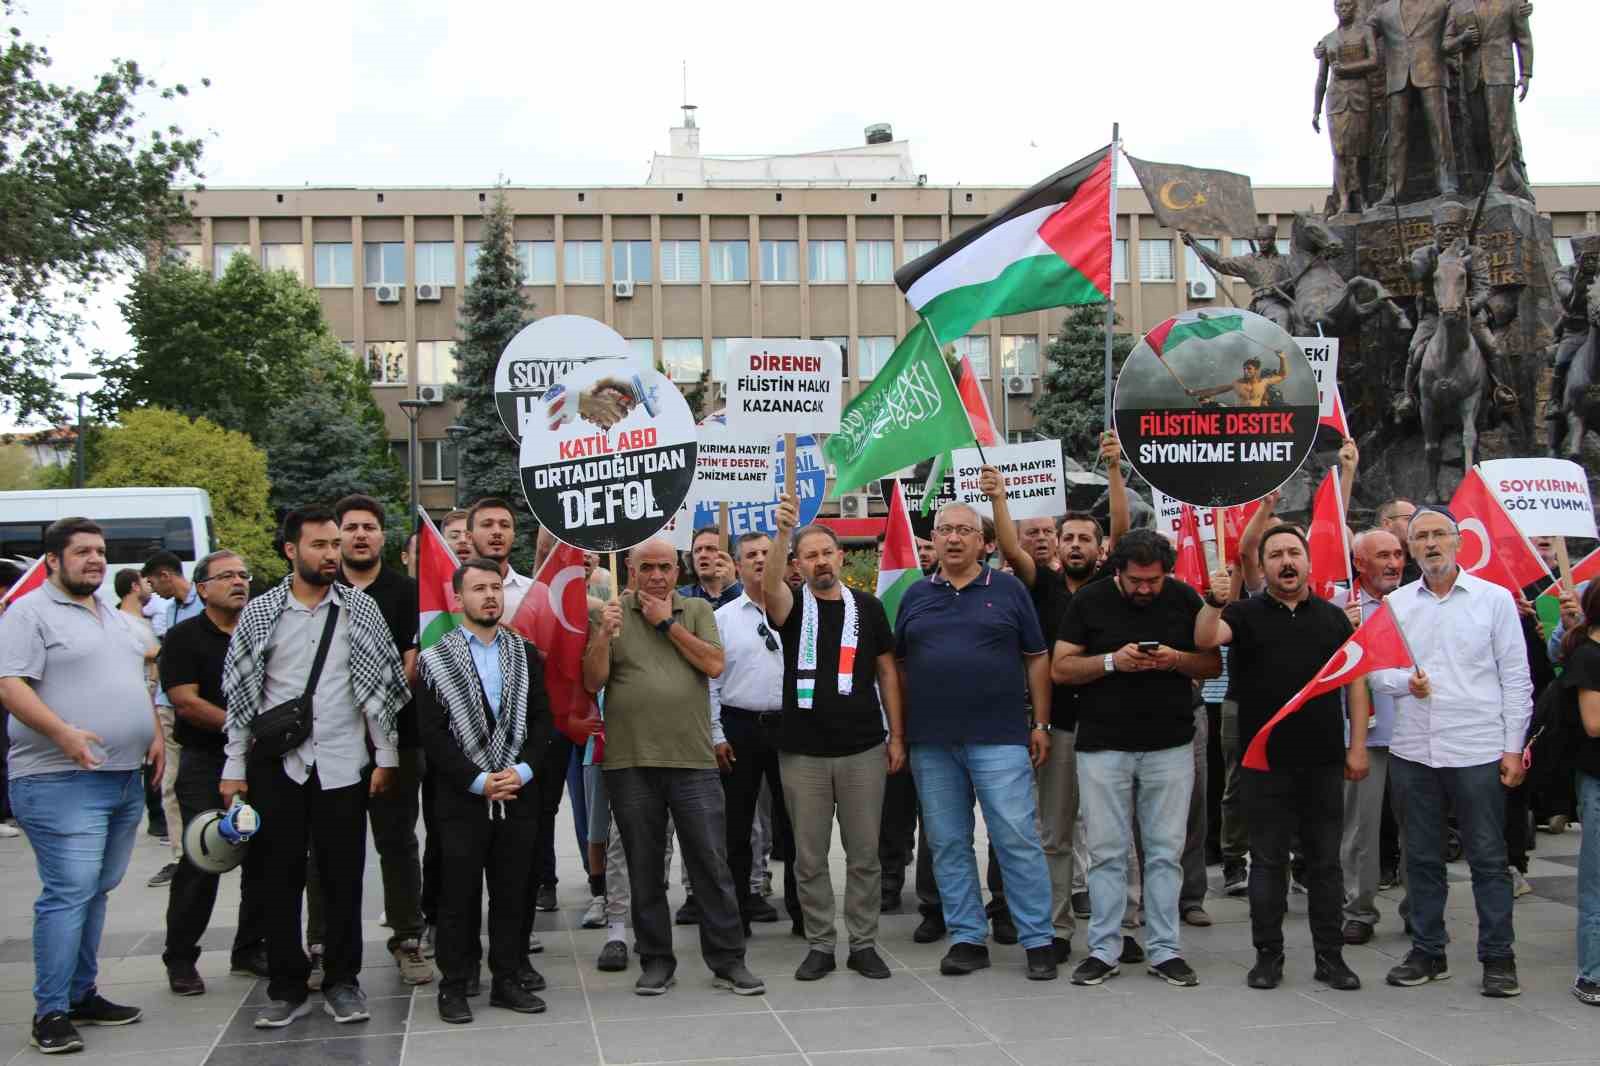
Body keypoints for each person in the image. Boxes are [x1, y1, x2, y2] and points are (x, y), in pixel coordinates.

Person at [220, 506, 410, 1029]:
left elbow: (379, 688)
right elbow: (242, 696)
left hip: (343, 763)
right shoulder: (261, 613)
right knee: (277, 878)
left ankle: (343, 981)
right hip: (278, 766)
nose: (331, 554)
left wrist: (386, 755)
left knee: (343, 877)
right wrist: (233, 766)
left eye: (334, 545)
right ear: (291, 550)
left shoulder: (360, 610)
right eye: (319, 545)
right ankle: (287, 986)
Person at [0, 518, 163, 1054]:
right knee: (69, 892)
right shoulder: (28, 613)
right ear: (52, 560)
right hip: (59, 779)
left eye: (100, 551)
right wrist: (62, 733)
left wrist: (155, 733)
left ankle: (81, 993)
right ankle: (50, 1012)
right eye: (82, 551)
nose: (95, 560)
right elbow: (9, 685)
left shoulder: (112, 616)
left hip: (123, 777)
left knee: (96, 889)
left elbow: (136, 680)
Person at [583, 538, 764, 997]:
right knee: (644, 868)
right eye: (647, 567)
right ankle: (656, 961)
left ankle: (728, 960)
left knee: (711, 864)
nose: (657, 576)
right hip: (631, 762)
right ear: (630, 569)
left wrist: (666, 623)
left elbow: (714, 664)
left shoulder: (696, 610)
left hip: (692, 760)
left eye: (665, 567)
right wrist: (603, 634)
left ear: (677, 571)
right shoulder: (611, 613)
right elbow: (592, 680)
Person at [1196, 526, 1368, 991]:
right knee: (1268, 862)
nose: (1286, 562)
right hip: (1263, 761)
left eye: (1294, 552)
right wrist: (1213, 601)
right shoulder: (1242, 613)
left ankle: (1331, 958)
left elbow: (1355, 682)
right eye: (1275, 555)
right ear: (1263, 565)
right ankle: (1267, 957)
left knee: (1325, 863)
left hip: (1323, 759)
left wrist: (1356, 746)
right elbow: (1206, 639)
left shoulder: (1334, 619)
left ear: (1308, 562)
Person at [1370, 507, 1531, 997]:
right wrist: (1405, 682)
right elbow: (1377, 673)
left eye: (1440, 534)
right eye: (1421, 537)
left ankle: (1498, 957)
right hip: (1414, 750)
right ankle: (1427, 950)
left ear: (1459, 541)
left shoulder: (1493, 600)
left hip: (1477, 747)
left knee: (1488, 858)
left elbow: (1516, 678)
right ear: (1411, 547)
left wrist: (1513, 748)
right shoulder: (1397, 604)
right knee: (1420, 858)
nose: (1431, 543)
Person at [895, 501, 1059, 981]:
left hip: (1000, 737)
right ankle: (967, 937)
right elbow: (899, 668)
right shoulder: (915, 594)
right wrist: (900, 734)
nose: (952, 538)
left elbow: (1037, 658)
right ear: (934, 538)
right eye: (944, 529)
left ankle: (1038, 939)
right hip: (932, 742)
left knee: (1015, 838)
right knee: (947, 842)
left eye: (964, 530)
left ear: (983, 542)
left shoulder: (1008, 590)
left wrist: (1041, 724)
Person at [984, 434, 1130, 962]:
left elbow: (1123, 527)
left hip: (1111, 726)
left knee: (1113, 835)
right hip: (1059, 726)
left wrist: (1114, 470)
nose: (1074, 545)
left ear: (1100, 549)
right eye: (1067, 538)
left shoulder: (1111, 584)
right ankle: (1057, 928)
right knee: (1055, 834)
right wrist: (1000, 499)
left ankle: (1119, 930)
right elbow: (1011, 548)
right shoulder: (1041, 585)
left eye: (1085, 538)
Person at [1053, 529, 1220, 988]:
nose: (1146, 589)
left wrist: (1175, 659)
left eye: (1154, 580)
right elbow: (1061, 668)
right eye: (1136, 581)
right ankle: (1104, 948)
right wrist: (1112, 662)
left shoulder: (1183, 598)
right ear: (1118, 572)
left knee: (1165, 852)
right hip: (1103, 746)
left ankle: (1165, 949)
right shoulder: (1089, 601)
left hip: (1170, 744)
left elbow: (1211, 664)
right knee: (1106, 852)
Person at [765, 502, 904, 980]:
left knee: (865, 855)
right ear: (798, 565)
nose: (821, 561)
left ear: (841, 556)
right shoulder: (791, 605)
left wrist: (897, 735)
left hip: (863, 749)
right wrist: (782, 534)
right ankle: (820, 943)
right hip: (803, 753)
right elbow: (768, 588)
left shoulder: (868, 607)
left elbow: (887, 672)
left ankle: (863, 943)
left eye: (827, 552)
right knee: (809, 857)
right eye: (810, 555)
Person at [417, 559, 554, 1023]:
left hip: (517, 791)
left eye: (495, 587)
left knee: (513, 892)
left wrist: (523, 771)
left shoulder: (525, 653)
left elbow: (542, 720)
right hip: (462, 797)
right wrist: (478, 780)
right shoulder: (435, 659)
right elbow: (432, 734)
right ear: (458, 599)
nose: (490, 595)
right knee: (457, 895)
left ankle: (508, 980)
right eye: (479, 589)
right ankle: (455, 985)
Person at [311, 495, 430, 986]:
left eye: (369, 527)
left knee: (397, 842)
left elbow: (412, 661)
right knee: (326, 847)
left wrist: (377, 708)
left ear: (383, 536)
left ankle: (407, 938)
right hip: (331, 742)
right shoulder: (319, 591)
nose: (360, 535)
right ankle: (322, 945)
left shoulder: (409, 593)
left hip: (399, 739)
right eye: (351, 528)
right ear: (337, 538)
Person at [159, 551, 270, 995]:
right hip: (206, 761)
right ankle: (181, 958)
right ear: (202, 588)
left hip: (262, 762)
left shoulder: (263, 631)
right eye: (226, 576)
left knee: (264, 859)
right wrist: (242, 729)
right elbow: (184, 701)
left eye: (243, 575)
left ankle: (250, 948)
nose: (239, 582)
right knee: (203, 858)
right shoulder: (183, 637)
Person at [707, 531, 801, 936]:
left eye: (768, 552)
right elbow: (711, 680)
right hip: (738, 728)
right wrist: (716, 733)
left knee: (796, 827)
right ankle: (737, 916)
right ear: (737, 565)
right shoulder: (722, 619)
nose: (761, 560)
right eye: (751, 555)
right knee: (736, 828)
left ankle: (803, 913)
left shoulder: (801, 612)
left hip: (791, 728)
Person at [1337, 528, 1407, 945]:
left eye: (1398, 554)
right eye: (1383, 555)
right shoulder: (1339, 605)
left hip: (1415, 734)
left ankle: (1420, 910)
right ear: (1359, 562)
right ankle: (1358, 911)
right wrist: (1337, 631)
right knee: (1360, 830)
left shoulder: (1415, 601)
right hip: (1363, 737)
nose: (1394, 563)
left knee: (1418, 829)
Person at [143, 552, 203, 884]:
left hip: (203, 706)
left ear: (166, 575)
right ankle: (181, 856)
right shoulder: (170, 610)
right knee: (171, 784)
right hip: (170, 707)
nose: (152, 590)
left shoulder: (205, 600)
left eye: (153, 582)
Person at [1558, 581, 1600, 1005]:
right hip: (1597, 779)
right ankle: (1592, 973)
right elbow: (1594, 722)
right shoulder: (1589, 655)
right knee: (1597, 879)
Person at [1182, 226, 1296, 331]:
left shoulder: (1287, 260)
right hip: (1266, 302)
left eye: (1265, 240)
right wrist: (1195, 244)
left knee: (1302, 317)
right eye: (1259, 240)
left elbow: (1300, 281)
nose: (1261, 243)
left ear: (1273, 240)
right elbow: (1220, 262)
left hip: (1288, 301)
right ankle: (1284, 345)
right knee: (1281, 315)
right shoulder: (1250, 261)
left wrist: (1286, 284)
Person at [467, 498, 533, 618]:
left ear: (513, 536)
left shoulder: (534, 592)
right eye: (487, 525)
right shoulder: (452, 594)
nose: (497, 532)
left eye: (504, 525)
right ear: (469, 537)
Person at [1184, 352, 1289, 408]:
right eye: (1244, 368)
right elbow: (1214, 390)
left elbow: (1282, 375)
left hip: (1256, 418)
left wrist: (1282, 359)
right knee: (1215, 406)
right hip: (1239, 417)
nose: (1246, 371)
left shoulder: (1263, 383)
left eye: (1249, 369)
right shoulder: (1237, 383)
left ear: (1256, 370)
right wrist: (1194, 393)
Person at [679, 526, 742, 608]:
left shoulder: (750, 592)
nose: (702, 555)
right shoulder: (681, 598)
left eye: (710, 549)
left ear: (729, 557)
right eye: (697, 550)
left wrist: (731, 588)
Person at [1377, 498, 1422, 584]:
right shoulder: (1367, 559)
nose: (1415, 524)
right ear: (1387, 524)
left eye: (1417, 519)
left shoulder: (1421, 564)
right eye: (1409, 519)